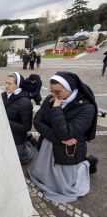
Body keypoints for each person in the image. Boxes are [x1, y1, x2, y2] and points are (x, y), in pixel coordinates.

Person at [28, 71, 98, 203]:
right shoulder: (50, 98)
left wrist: (56, 109)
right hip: (51, 144)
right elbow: (37, 122)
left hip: (68, 151)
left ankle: (89, 163)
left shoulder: (87, 108)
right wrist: (58, 138)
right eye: (51, 90)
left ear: (70, 89)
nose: (53, 95)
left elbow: (66, 133)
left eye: (57, 92)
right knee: (42, 173)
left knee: (64, 185)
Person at [1, 72, 35, 164]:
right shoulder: (3, 96)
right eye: (6, 83)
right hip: (4, 133)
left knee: (23, 159)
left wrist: (6, 122)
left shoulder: (25, 103)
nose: (7, 86)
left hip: (17, 137)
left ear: (18, 85)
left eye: (10, 84)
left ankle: (29, 144)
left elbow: (26, 127)